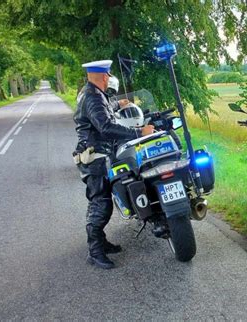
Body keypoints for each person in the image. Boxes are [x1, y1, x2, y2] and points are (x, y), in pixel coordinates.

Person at [73, 60, 154, 269]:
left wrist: (120, 104)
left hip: (99, 155)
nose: (109, 78)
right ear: (104, 76)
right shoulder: (92, 96)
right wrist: (139, 132)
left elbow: (104, 110)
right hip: (94, 158)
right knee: (100, 204)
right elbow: (106, 126)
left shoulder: (92, 93)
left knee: (104, 200)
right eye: (108, 75)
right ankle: (95, 251)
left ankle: (101, 242)